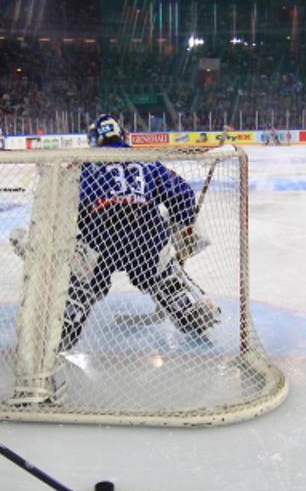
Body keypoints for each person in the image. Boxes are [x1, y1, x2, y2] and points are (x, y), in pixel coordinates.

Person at [59, 115, 220, 353]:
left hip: (101, 239)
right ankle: (186, 307)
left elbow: (68, 204)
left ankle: (65, 328)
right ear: (123, 135)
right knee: (164, 276)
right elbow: (183, 193)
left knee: (82, 283)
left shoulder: (87, 164)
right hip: (146, 237)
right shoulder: (148, 162)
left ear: (95, 139)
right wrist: (183, 226)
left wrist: (82, 228)